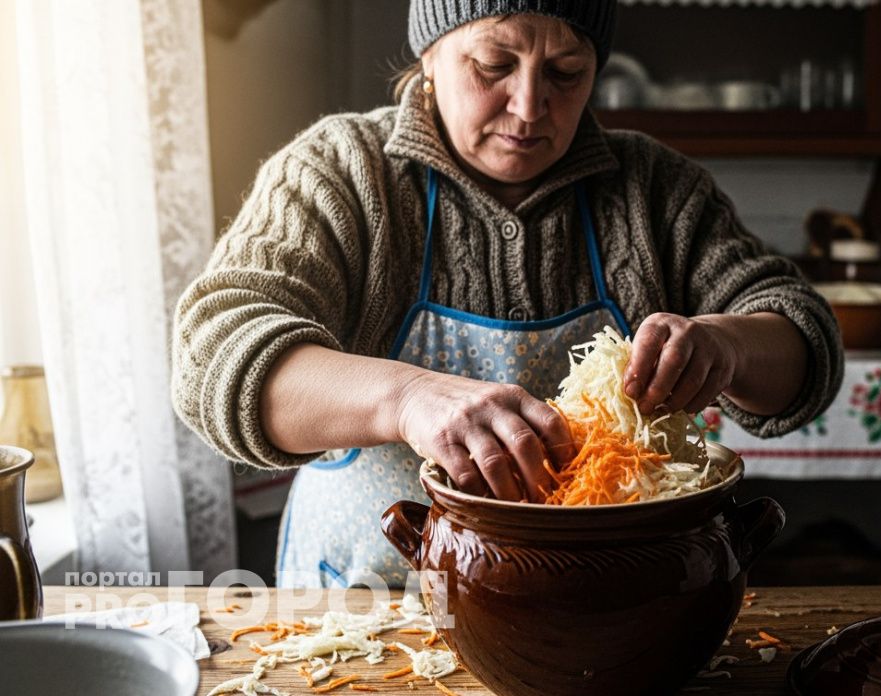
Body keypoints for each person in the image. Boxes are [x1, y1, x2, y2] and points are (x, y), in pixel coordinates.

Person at [172, 0, 844, 589]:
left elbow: (801, 343)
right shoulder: (341, 172)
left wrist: (729, 344)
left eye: (566, 73)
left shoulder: (656, 192)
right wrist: (407, 399)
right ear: (430, 53)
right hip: (361, 614)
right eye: (494, 64)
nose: (528, 107)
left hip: (595, 613)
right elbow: (213, 358)